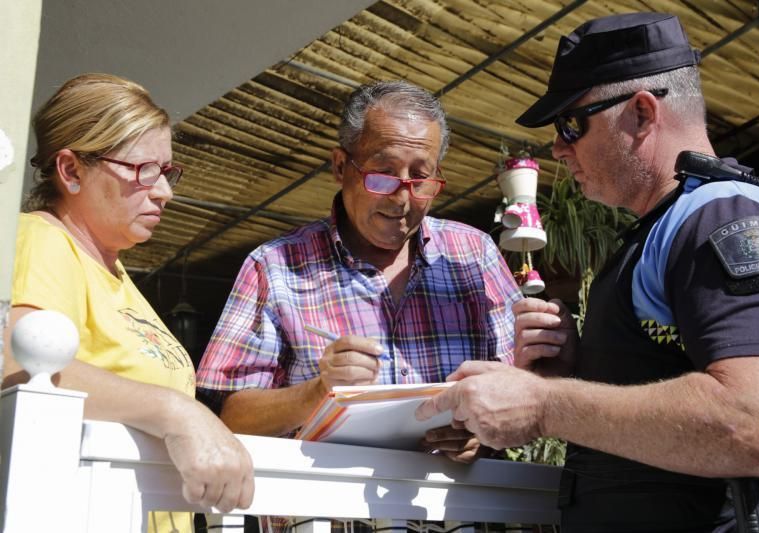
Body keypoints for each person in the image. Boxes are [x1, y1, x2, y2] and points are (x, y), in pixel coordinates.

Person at [416, 12, 759, 532]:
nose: (558, 148)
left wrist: (543, 404)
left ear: (642, 113)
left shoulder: (724, 217)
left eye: (571, 125)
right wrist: (583, 367)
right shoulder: (667, 225)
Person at [197, 80, 522, 462]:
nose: (402, 198)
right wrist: (320, 391)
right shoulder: (275, 267)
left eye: (420, 178)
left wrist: (479, 435)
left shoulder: (474, 255)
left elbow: (521, 396)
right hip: (329, 516)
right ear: (340, 166)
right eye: (382, 173)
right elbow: (225, 418)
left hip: (454, 517)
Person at [2, 73, 254, 533]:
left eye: (167, 171)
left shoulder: (116, 272)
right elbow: (16, 363)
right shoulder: (43, 238)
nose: (165, 192)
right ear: (72, 170)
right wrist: (177, 411)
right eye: (143, 170)